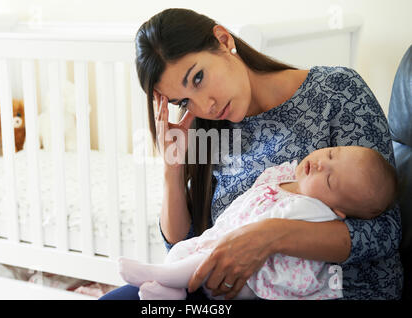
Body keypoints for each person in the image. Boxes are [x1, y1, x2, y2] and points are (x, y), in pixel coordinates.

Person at [99, 8, 403, 300]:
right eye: (184, 101)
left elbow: (385, 230)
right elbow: (183, 248)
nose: (206, 106)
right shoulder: (209, 129)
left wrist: (270, 236)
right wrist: (172, 170)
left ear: (223, 40)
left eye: (199, 78)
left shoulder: (336, 90)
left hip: (337, 290)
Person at [117, 146, 398, 300]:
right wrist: (172, 173)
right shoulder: (286, 174)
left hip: (250, 278)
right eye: (332, 153)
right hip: (218, 241)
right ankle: (169, 291)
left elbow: (387, 232)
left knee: (200, 259)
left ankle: (166, 279)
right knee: (181, 252)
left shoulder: (316, 211)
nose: (322, 164)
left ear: (338, 210)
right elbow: (177, 237)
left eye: (329, 180)